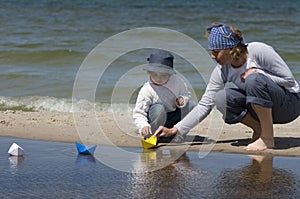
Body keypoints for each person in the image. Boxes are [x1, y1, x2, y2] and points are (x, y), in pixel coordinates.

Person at [154, 23, 300, 151]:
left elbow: (289, 81)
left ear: (231, 49)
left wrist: (257, 72)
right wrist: (175, 130)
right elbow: (205, 104)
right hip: (263, 108)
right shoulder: (221, 69)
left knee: (253, 79)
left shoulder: (258, 50)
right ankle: (259, 129)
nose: (212, 55)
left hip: (290, 105)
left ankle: (267, 140)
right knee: (221, 97)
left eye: (215, 51)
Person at [133, 49, 195, 142]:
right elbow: (139, 112)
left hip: (173, 117)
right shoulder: (147, 89)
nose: (158, 78)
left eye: (163, 75)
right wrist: (143, 126)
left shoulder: (177, 81)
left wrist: (182, 99)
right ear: (149, 72)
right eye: (155, 74)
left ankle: (178, 134)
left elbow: (186, 94)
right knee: (159, 108)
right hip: (156, 119)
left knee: (192, 106)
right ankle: (155, 136)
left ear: (170, 74)